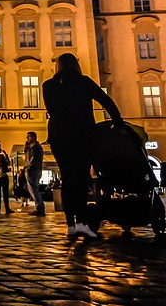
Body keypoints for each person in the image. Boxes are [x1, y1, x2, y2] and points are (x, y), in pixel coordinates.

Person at [43, 53, 123, 240]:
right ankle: (81, 223)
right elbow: (106, 101)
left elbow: (52, 110)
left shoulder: (48, 85)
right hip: (82, 135)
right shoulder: (83, 82)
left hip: (58, 136)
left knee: (67, 178)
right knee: (80, 178)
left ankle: (70, 223)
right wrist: (117, 120)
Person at [24, 132, 46, 216]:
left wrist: (26, 167)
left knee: (33, 189)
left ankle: (39, 208)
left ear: (33, 137)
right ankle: (39, 207)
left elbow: (32, 160)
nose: (27, 138)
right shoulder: (32, 147)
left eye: (29, 137)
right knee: (33, 189)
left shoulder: (35, 147)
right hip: (34, 170)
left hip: (33, 170)